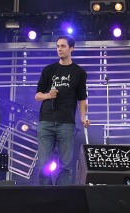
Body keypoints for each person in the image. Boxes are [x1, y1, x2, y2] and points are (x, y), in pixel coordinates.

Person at [35, 35, 90, 185]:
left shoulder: (79, 72)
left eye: (63, 46)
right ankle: (46, 200)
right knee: (43, 164)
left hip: (66, 123)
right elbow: (37, 96)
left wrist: (83, 117)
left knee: (66, 165)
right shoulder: (49, 70)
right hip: (46, 121)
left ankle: (62, 199)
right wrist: (48, 95)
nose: (59, 49)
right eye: (58, 46)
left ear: (71, 48)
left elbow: (82, 98)